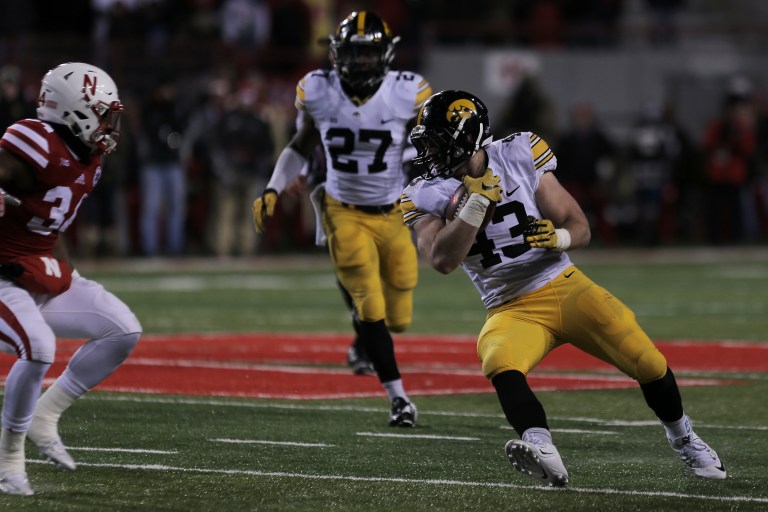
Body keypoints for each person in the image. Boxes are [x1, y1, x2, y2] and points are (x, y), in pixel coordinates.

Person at [400, 89, 726, 486]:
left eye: (437, 141)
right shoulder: (422, 192)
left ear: (468, 137)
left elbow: (579, 225)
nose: (430, 153)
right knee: (498, 358)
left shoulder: (519, 151)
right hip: (509, 305)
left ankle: (685, 438)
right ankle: (542, 449)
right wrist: (474, 204)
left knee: (648, 361)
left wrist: (558, 239)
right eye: (426, 143)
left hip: (563, 284)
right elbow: (442, 260)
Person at [253, 11, 432, 426]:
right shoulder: (318, 90)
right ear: (337, 55)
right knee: (369, 303)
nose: (360, 63)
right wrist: (274, 187)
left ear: (385, 56)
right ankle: (399, 398)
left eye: (368, 55)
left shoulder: (407, 92)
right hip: (342, 209)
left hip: (391, 211)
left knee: (399, 314)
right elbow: (301, 142)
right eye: (353, 54)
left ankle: (364, 336)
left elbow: (426, 145)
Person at [0, 62, 142, 496]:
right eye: (102, 113)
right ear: (74, 110)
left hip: (34, 267)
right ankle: (8, 461)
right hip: (3, 274)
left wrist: (65, 273)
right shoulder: (33, 141)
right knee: (39, 347)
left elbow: (50, 225)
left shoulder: (90, 158)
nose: (107, 124)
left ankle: (46, 416)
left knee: (122, 329)